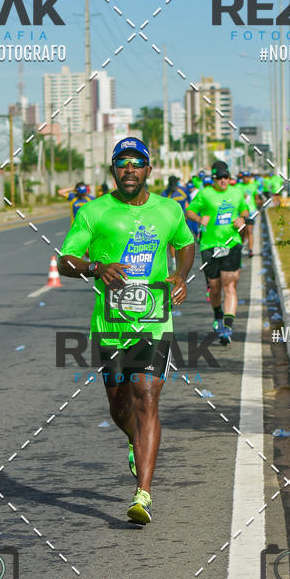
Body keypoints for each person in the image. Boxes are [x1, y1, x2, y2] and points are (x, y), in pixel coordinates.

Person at [58, 137, 195, 525]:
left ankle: (143, 494)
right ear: (113, 170)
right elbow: (66, 260)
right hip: (109, 325)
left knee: (146, 396)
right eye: (122, 163)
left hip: (153, 320)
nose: (129, 169)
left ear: (149, 170)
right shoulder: (94, 212)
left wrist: (181, 276)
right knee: (119, 405)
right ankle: (133, 441)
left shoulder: (169, 210)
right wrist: (95, 268)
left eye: (137, 163)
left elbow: (186, 244)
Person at [185, 161, 249, 346]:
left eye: (226, 177)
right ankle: (218, 315)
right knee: (215, 288)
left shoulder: (236, 192)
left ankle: (227, 327)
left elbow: (245, 209)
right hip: (210, 246)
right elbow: (189, 211)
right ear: (213, 179)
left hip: (232, 244)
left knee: (230, 286)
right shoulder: (205, 194)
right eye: (219, 177)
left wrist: (242, 219)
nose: (223, 181)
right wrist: (198, 218)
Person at [235, 171, 259, 258]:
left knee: (249, 231)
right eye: (243, 177)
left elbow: (256, 198)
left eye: (247, 177)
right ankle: (241, 246)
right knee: (241, 231)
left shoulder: (253, 185)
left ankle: (250, 250)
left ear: (249, 177)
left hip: (251, 211)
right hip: (241, 212)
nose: (245, 178)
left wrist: (257, 207)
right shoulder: (238, 186)